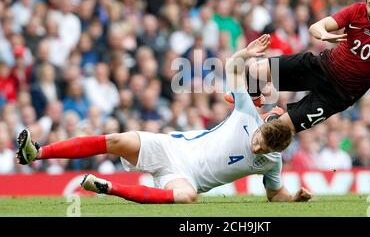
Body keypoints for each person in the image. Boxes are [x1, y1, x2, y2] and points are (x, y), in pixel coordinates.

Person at [16, 34, 312, 204]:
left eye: (264, 150)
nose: (257, 148)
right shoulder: (247, 112)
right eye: (259, 141)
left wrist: (294, 200)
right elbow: (233, 67)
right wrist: (245, 54)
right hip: (172, 148)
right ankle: (38, 152)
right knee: (117, 139)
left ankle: (107, 188)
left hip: (186, 178)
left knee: (187, 198)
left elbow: (276, 195)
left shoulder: (272, 162)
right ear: (262, 125)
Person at [226, 0, 370, 135]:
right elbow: (316, 26)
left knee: (277, 129)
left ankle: (275, 117)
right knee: (254, 71)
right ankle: (253, 103)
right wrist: (322, 33)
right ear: (366, 2)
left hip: (337, 95)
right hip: (319, 66)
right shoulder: (356, 11)